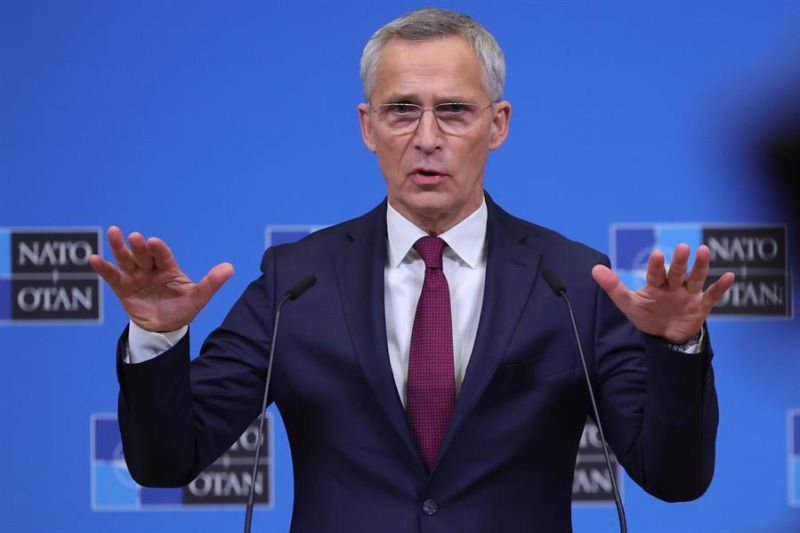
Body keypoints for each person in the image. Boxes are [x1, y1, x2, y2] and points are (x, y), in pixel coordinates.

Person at [89, 8, 734, 532]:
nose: (427, 137)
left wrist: (675, 345)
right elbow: (166, 462)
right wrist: (157, 339)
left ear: (498, 125)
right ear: (368, 127)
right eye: (402, 110)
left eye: (453, 110)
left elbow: (674, 480)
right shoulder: (296, 281)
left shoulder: (571, 282)